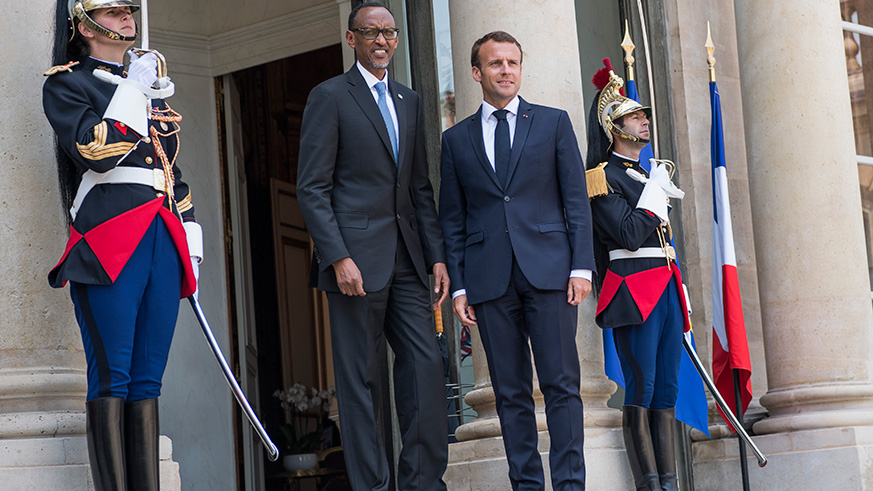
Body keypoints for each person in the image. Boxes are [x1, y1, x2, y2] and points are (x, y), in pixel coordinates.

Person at [42, 1, 201, 489]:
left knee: (149, 381)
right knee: (112, 377)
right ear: (84, 26)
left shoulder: (147, 86)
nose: (127, 18)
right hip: (110, 239)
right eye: (112, 12)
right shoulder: (68, 83)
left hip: (161, 236)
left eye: (129, 10)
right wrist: (132, 88)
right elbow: (97, 151)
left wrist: (190, 237)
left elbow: (169, 172)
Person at [296, 2, 449, 490]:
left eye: (389, 32)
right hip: (354, 263)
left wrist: (438, 255)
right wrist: (338, 255)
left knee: (426, 367)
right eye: (370, 32)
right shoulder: (330, 96)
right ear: (351, 39)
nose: (381, 41)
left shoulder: (411, 100)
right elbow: (312, 188)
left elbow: (420, 187)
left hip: (408, 258)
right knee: (361, 383)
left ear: (397, 40)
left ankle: (423, 483)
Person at [439, 31, 595, 490]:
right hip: (490, 281)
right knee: (509, 394)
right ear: (476, 73)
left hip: (551, 274)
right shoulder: (456, 139)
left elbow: (576, 201)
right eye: (495, 64)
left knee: (562, 387)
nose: (505, 70)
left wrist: (581, 267)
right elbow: (454, 218)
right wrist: (462, 286)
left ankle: (570, 485)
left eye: (512, 63)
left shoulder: (552, 122)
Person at [584, 59, 688, 491]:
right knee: (641, 386)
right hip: (634, 290)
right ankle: (648, 484)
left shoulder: (647, 174)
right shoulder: (602, 177)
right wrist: (653, 194)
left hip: (665, 287)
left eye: (643, 115)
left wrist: (652, 185)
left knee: (667, 388)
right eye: (635, 116)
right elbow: (627, 234)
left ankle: (668, 482)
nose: (644, 121)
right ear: (615, 127)